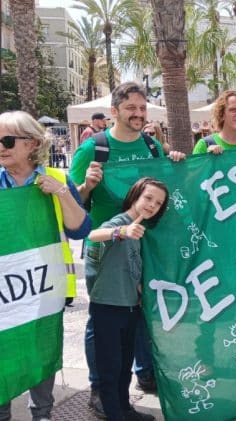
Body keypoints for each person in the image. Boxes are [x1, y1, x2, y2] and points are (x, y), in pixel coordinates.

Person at [70, 81, 186, 417]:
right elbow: (73, 205)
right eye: (130, 108)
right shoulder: (94, 148)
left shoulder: (152, 146)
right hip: (107, 247)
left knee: (135, 315)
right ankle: (99, 389)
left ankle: (137, 378)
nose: (137, 114)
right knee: (103, 321)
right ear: (115, 111)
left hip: (144, 243)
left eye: (141, 108)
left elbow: (164, 188)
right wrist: (87, 185)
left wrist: (175, 160)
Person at [0, 110, 92, 421]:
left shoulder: (56, 179)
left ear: (33, 143)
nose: (1, 146)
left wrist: (62, 193)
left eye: (8, 140)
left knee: (41, 348)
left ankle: (43, 414)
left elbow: (80, 229)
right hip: (4, 287)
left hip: (43, 285)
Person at [87, 177, 169, 421]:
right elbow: (92, 235)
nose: (152, 205)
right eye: (148, 198)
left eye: (158, 203)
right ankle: (115, 415)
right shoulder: (121, 222)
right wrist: (121, 231)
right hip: (107, 306)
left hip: (131, 307)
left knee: (124, 366)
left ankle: (124, 409)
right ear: (135, 195)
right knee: (109, 369)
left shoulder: (143, 229)